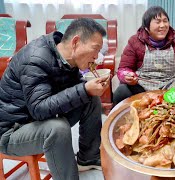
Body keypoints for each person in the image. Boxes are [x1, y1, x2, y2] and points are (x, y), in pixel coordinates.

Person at [0, 18, 109, 180]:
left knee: (91, 99)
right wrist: (84, 89)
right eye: (95, 49)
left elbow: (70, 89)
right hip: (12, 131)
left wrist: (88, 89)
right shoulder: (35, 59)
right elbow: (39, 110)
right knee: (57, 128)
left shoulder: (64, 56)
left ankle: (88, 158)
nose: (97, 57)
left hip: (34, 120)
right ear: (76, 42)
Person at [113, 6, 175, 105]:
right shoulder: (135, 41)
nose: (163, 25)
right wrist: (128, 76)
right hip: (142, 87)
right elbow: (123, 69)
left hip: (171, 86)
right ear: (146, 27)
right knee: (121, 92)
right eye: (158, 22)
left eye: (165, 21)